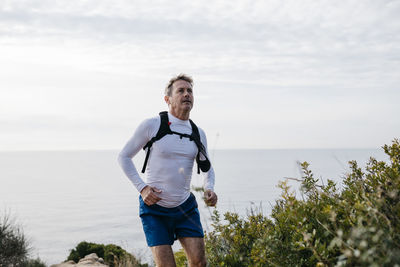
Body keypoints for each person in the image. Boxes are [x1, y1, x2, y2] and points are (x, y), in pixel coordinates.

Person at [118, 74, 217, 267]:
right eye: (181, 91)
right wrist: (142, 188)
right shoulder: (152, 125)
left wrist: (209, 187)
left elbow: (208, 168)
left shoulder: (198, 133)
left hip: (185, 208)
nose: (186, 94)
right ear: (167, 99)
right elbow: (123, 157)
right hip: (155, 210)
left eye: (190, 91)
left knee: (199, 263)